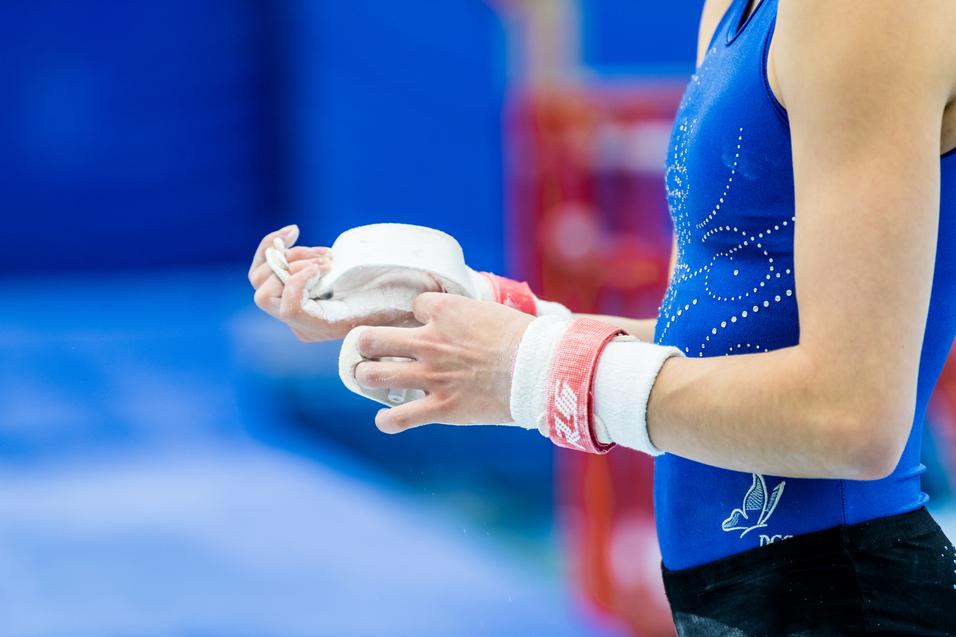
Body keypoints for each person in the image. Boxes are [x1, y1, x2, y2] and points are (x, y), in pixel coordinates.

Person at [249, 0, 956, 633]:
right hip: (748, 599)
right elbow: (715, 344)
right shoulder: (737, 9)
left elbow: (852, 417)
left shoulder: (867, 9)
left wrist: (527, 365)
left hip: (852, 598)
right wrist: (463, 318)